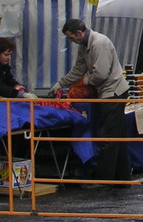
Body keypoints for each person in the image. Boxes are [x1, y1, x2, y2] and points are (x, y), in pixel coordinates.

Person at [50, 20, 130, 181]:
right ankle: (122, 178)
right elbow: (78, 69)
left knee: (108, 137)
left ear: (79, 33)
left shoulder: (99, 43)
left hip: (113, 93)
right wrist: (61, 83)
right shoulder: (84, 46)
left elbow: (101, 75)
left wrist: (84, 82)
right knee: (117, 138)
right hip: (107, 93)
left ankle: (104, 178)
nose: (72, 41)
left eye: (72, 37)